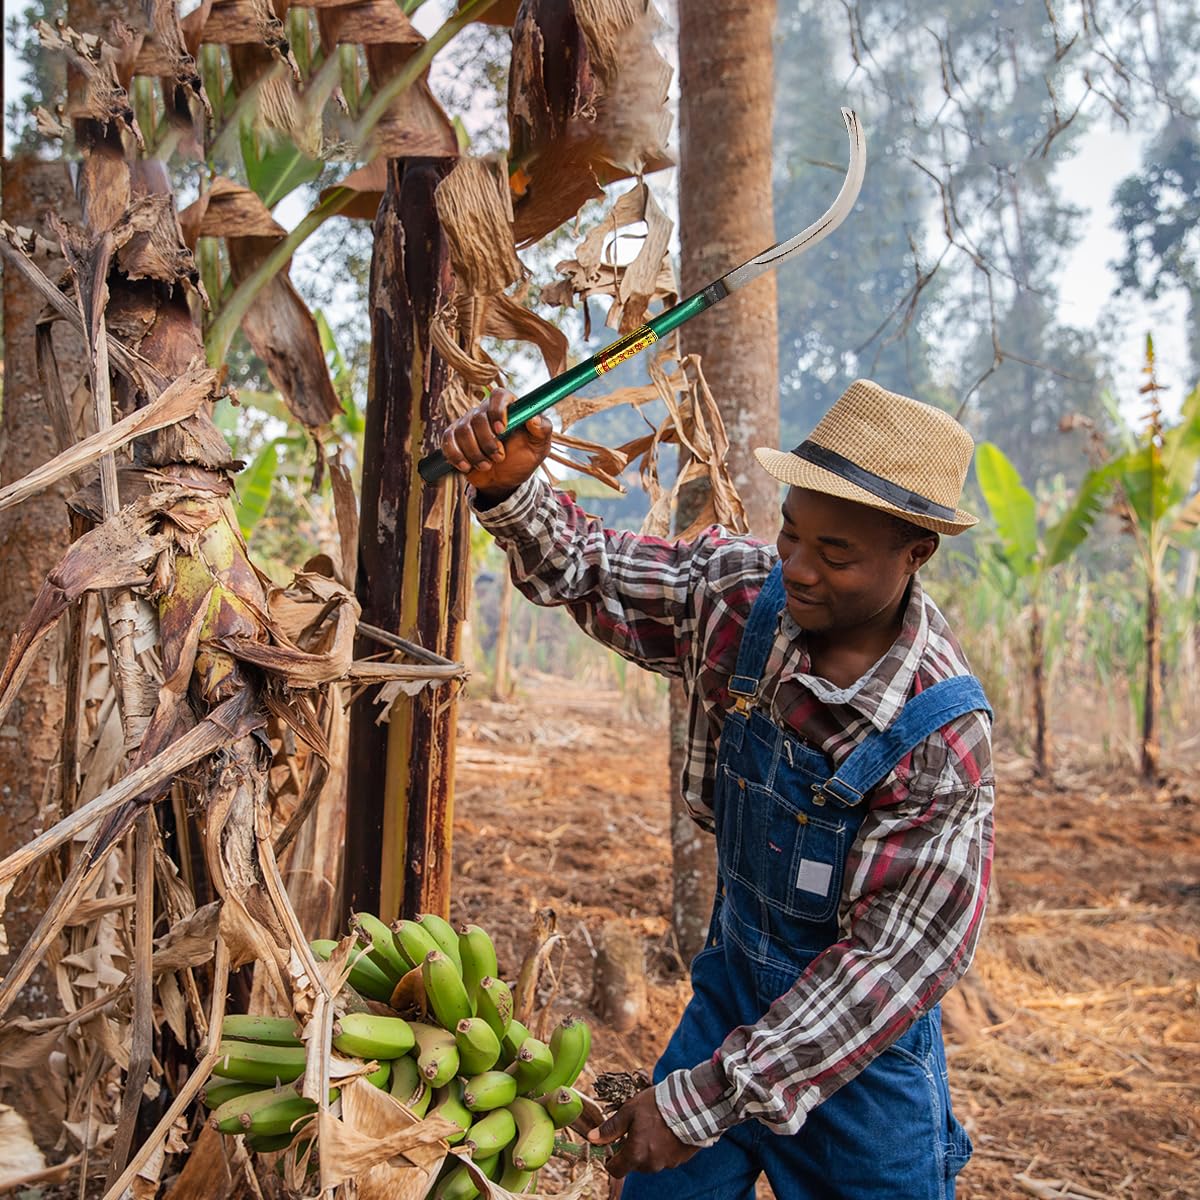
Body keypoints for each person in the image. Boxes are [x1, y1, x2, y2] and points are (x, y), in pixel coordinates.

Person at [440, 378, 994, 1200]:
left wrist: (698, 1104)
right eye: (792, 535)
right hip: (732, 986)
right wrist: (510, 486)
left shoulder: (939, 737)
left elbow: (886, 968)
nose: (798, 570)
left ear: (916, 554)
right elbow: (594, 570)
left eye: (835, 555)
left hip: (859, 1056)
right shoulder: (742, 597)